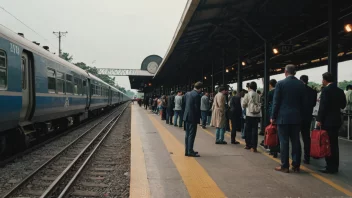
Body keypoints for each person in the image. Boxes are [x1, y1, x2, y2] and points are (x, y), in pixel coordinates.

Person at [271, 64, 305, 173]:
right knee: (296, 141)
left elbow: (276, 102)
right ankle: (296, 165)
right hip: (296, 117)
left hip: (283, 118)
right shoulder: (301, 84)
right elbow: (304, 103)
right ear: (294, 72)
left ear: (285, 72)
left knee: (284, 142)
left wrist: (273, 116)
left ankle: (284, 166)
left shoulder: (280, 84)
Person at [316, 72, 346, 174]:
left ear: (325, 80)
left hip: (327, 121)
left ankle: (330, 166)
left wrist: (319, 119)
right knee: (334, 144)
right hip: (336, 121)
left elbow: (323, 107)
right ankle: (335, 166)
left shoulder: (326, 91)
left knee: (327, 143)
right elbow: (343, 105)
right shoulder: (340, 91)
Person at [299, 75, 317, 164]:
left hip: (298, 117)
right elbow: (313, 104)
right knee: (306, 137)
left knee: (295, 137)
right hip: (308, 116)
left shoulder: (298, 90)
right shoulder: (313, 91)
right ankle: (307, 157)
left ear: (300, 80)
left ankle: (297, 156)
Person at [183, 82, 203, 157]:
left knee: (187, 134)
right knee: (192, 134)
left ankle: (187, 150)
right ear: (200, 88)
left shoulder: (187, 94)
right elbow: (197, 108)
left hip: (187, 116)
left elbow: (184, 104)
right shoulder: (197, 95)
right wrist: (199, 118)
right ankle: (190, 151)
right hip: (193, 117)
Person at [242, 82, 261, 152]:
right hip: (256, 115)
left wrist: (247, 105)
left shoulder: (247, 94)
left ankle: (248, 145)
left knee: (248, 130)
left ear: (250, 87)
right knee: (255, 131)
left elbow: (243, 104)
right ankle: (254, 147)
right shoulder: (258, 95)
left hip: (249, 114)